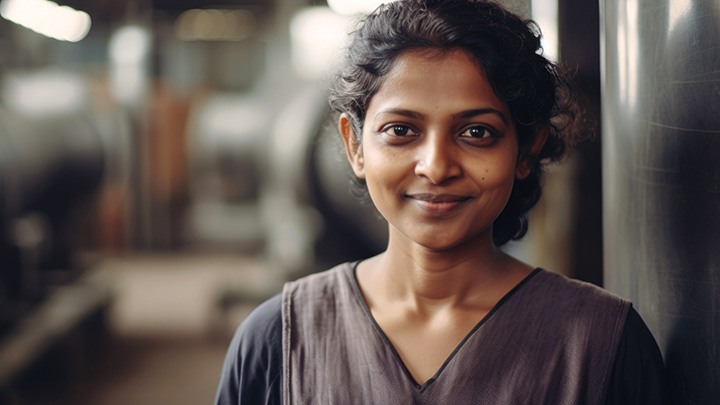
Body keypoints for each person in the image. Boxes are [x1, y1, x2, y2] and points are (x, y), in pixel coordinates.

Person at [215, 0, 665, 403]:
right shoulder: (279, 341)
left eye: (476, 132)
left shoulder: (604, 345)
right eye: (401, 131)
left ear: (527, 150)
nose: (436, 166)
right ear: (355, 147)